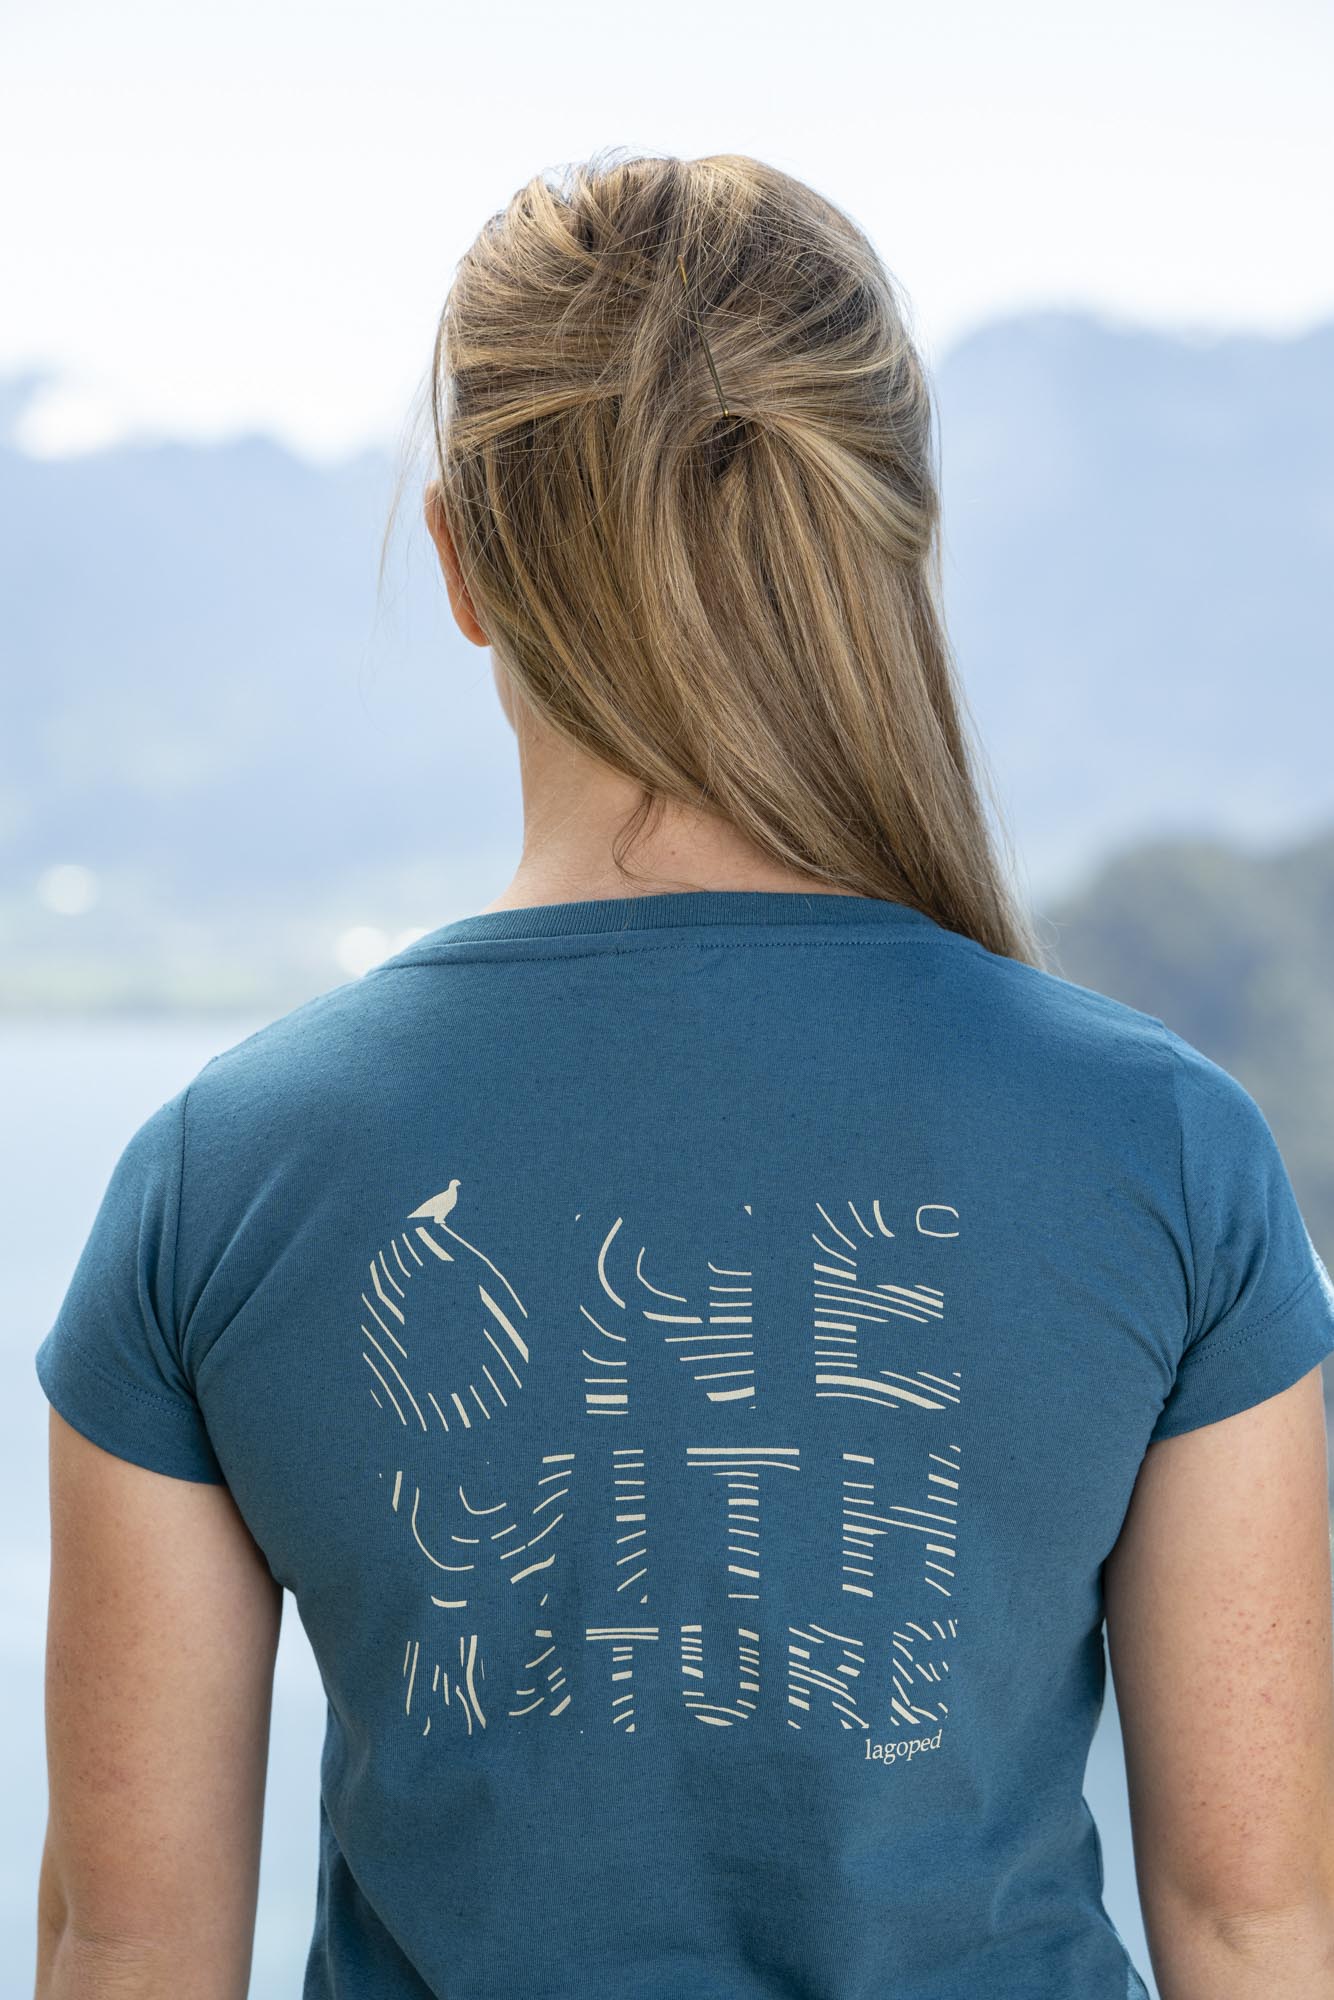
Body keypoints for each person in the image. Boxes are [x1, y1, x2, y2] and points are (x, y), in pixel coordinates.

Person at [32, 148, 1334, 2000]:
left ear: (464, 561)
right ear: (887, 536)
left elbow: (127, 1945)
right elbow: (1254, 1927)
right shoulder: (1165, 1151)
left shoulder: (218, 1177)